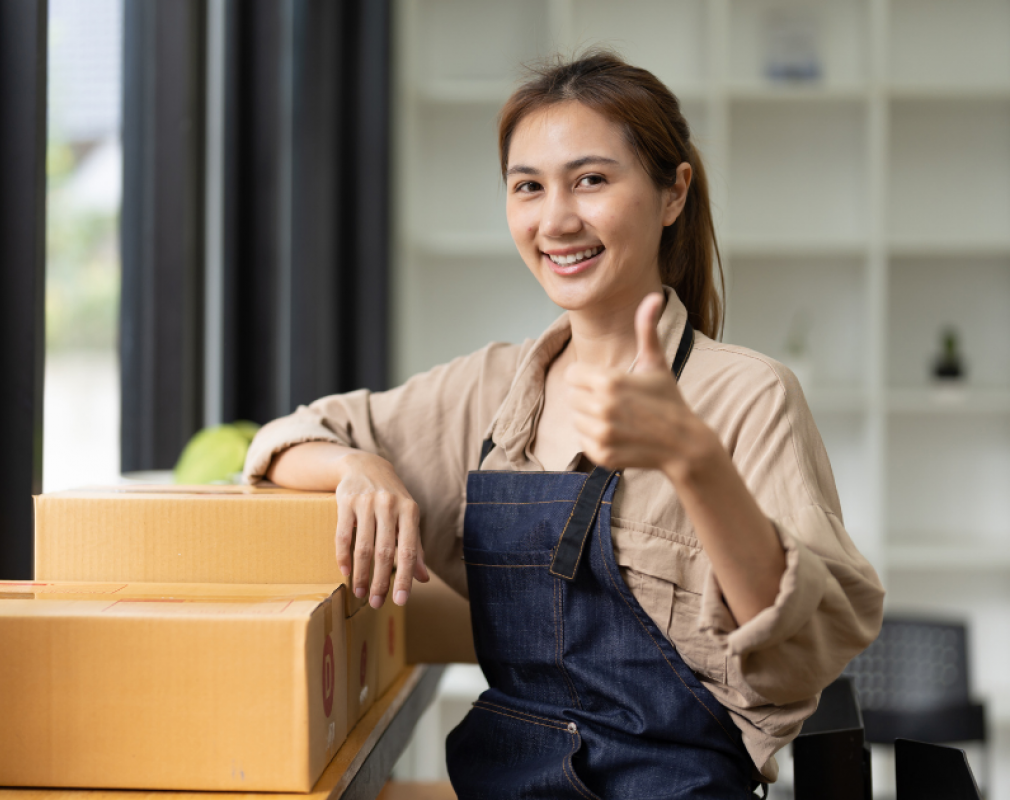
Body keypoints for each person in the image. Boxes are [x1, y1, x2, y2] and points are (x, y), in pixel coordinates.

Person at [243, 50, 883, 798]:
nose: (556, 220)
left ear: (672, 192)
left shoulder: (748, 394)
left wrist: (694, 461)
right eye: (528, 187)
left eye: (591, 180)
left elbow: (802, 655)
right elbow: (287, 439)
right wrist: (362, 468)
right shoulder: (487, 389)